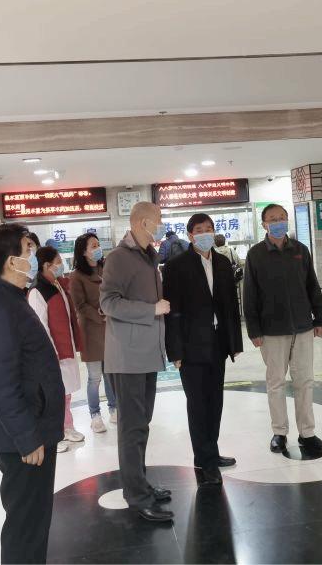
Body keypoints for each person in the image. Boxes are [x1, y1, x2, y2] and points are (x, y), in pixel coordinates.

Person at [0, 223, 65, 564]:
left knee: (34, 521)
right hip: (25, 439)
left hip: (35, 428)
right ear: (11, 261)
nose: (33, 256)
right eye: (28, 249)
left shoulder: (10, 297)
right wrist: (27, 438)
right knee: (25, 526)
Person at [100, 201, 174, 523]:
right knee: (131, 429)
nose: (161, 225)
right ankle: (136, 496)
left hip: (147, 355)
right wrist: (151, 310)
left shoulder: (148, 256)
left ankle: (140, 484)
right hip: (127, 357)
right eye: (158, 220)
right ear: (143, 223)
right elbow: (108, 302)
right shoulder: (119, 257)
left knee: (141, 425)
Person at [163, 213, 243, 487]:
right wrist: (175, 351)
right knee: (198, 404)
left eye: (209, 229)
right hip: (190, 347)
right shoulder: (175, 266)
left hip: (217, 343)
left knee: (215, 401)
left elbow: (231, 305)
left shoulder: (222, 262)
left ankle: (211, 451)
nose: (206, 233)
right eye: (200, 230)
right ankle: (205, 461)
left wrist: (234, 343)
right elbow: (172, 312)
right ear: (190, 235)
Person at [243, 203, 322, 455]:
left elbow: (312, 285)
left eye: (281, 217)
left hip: (302, 327)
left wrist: (319, 318)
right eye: (272, 219)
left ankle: (307, 433)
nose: (278, 222)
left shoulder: (300, 250)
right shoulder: (256, 254)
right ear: (264, 224)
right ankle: (279, 432)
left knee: (304, 381)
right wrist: (254, 329)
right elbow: (250, 294)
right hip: (271, 330)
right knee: (276, 383)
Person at [28, 246, 85, 453]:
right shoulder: (38, 291)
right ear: (46, 265)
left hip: (64, 348)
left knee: (65, 393)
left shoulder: (57, 284)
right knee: (52, 396)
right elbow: (40, 328)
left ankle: (66, 427)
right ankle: (52, 435)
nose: (62, 265)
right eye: (58, 261)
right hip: (51, 354)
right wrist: (51, 353)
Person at [69, 233, 117, 433]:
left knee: (111, 374)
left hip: (110, 328)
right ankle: (95, 415)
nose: (98, 249)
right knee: (95, 376)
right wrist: (99, 314)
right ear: (83, 251)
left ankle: (114, 409)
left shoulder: (105, 268)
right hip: (91, 330)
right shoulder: (76, 276)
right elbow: (79, 305)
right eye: (93, 246)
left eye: (98, 244)